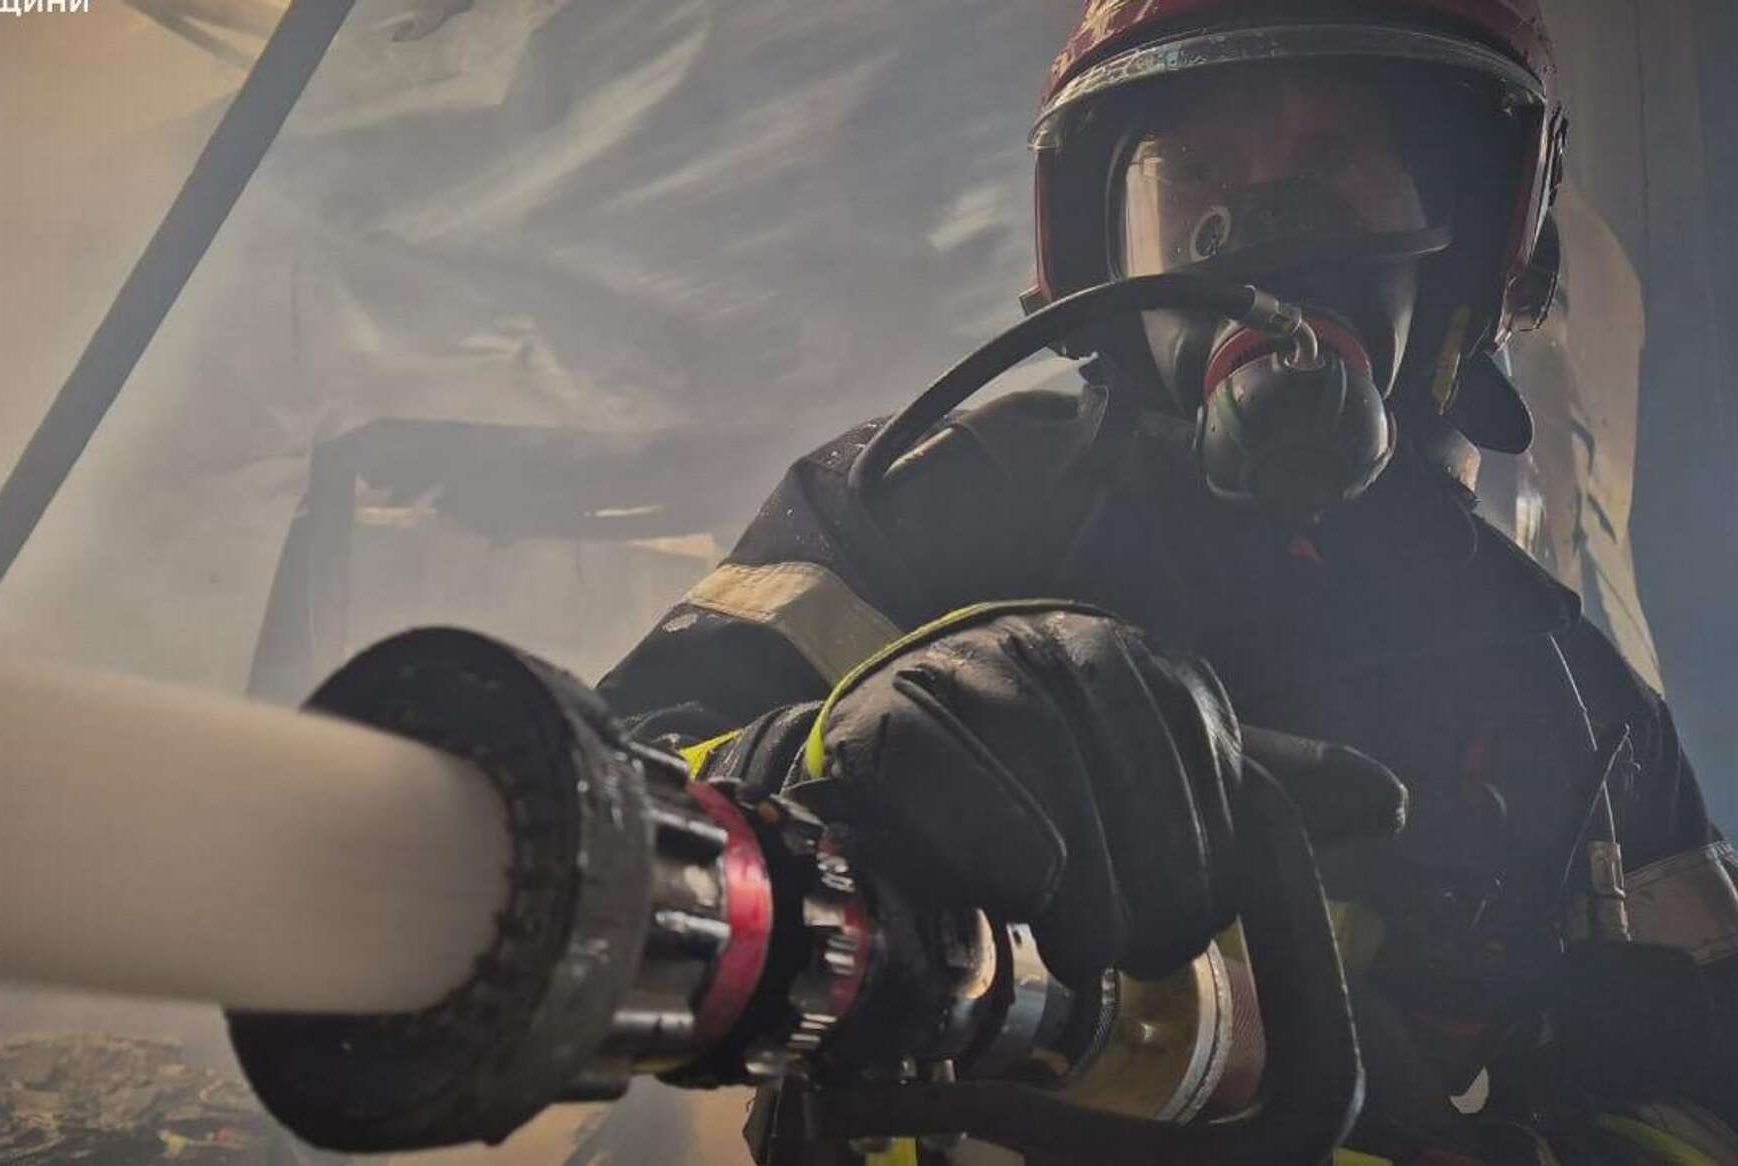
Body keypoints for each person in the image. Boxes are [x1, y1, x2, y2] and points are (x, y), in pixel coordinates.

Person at [598, 2, 1738, 1162]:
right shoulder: (922, 512)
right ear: (1101, 244)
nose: (1264, 227)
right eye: (1193, 173)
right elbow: (583, 840)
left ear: (1466, 238)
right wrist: (835, 756)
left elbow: (1708, 1101)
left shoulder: (1575, 707)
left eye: (1335, 163)